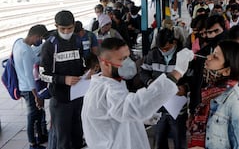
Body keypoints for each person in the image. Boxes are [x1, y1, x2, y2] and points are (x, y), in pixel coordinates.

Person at [81, 38, 194, 149]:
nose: (129, 63)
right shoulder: (108, 90)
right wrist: (177, 72)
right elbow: (135, 107)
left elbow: (121, 113)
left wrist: (141, 118)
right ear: (105, 64)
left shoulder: (108, 84)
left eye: (128, 57)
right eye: (123, 59)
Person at [187, 40, 239, 149]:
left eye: (215, 57)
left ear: (227, 71)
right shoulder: (211, 94)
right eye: (212, 53)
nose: (208, 57)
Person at [39, 10, 86, 149]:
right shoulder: (49, 45)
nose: (66, 31)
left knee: (78, 135)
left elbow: (81, 63)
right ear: (56, 26)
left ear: (74, 25)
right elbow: (42, 74)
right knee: (63, 140)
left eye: (70, 28)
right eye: (62, 29)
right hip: (60, 100)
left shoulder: (77, 41)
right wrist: (63, 79)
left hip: (77, 96)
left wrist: (87, 73)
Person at [140, 28, 188, 149]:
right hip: (158, 106)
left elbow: (192, 77)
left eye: (166, 49)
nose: (163, 51)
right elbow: (143, 72)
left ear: (174, 43)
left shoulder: (183, 56)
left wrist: (185, 87)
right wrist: (150, 82)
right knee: (159, 140)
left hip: (177, 108)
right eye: (161, 49)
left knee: (179, 139)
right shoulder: (153, 54)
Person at [14, 24, 48, 149]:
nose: (40, 41)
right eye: (40, 39)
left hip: (23, 85)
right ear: (35, 36)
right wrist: (36, 96)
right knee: (32, 116)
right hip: (29, 89)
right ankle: (32, 144)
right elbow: (30, 76)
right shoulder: (26, 51)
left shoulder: (18, 43)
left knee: (38, 114)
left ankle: (40, 136)